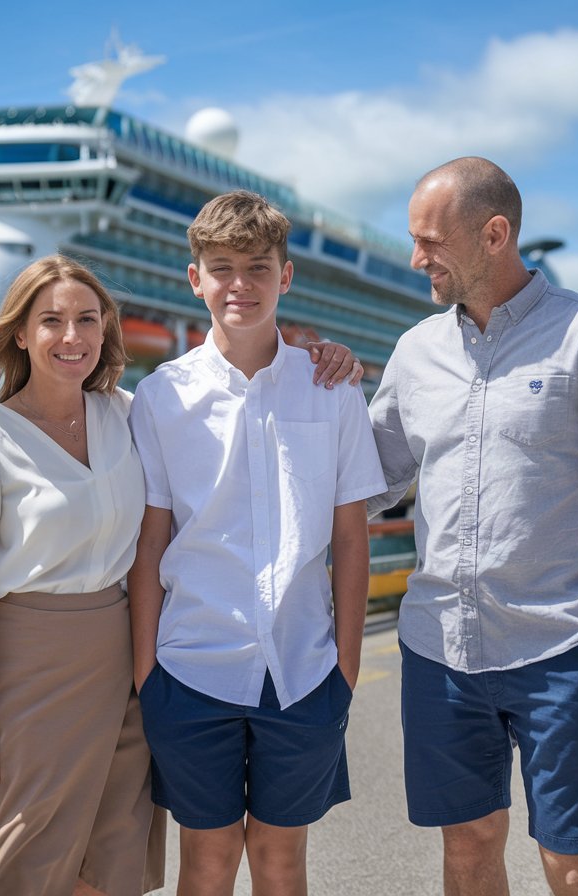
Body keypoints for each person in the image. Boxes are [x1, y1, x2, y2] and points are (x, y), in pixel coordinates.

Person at [0, 254, 360, 896]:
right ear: (21, 333)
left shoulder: (128, 412)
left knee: (108, 850)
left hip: (123, 669)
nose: (72, 337)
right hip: (33, 668)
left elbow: (232, 415)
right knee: (22, 845)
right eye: (51, 320)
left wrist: (325, 355)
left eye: (87, 319)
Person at [368, 157, 578, 896]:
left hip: (562, 648)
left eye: (431, 241)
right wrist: (297, 386)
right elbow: (369, 482)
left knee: (575, 869)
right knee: (468, 850)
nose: (416, 259)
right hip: (439, 652)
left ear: (495, 233)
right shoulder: (415, 352)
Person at [127, 190, 387, 896]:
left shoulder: (330, 388)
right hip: (189, 670)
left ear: (285, 274)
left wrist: (348, 669)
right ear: (195, 279)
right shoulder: (160, 396)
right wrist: (148, 675)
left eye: (256, 267)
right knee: (206, 865)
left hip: (304, 672)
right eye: (222, 268)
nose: (239, 284)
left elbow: (350, 540)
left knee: (280, 861)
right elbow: (152, 545)